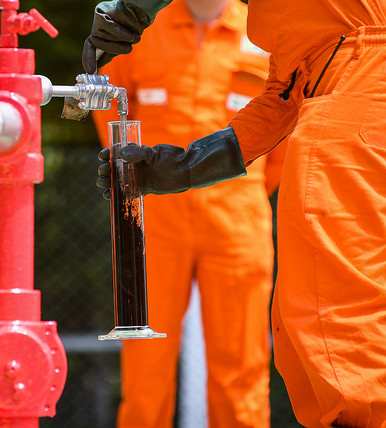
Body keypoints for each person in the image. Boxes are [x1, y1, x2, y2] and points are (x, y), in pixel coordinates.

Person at [87, 0, 386, 426]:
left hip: (363, 74)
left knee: (326, 309)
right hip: (353, 73)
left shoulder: (320, 30)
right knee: (302, 322)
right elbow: (286, 94)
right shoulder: (310, 32)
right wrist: (191, 165)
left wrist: (132, 7)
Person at [91, 0, 283, 426]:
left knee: (243, 367)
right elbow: (110, 111)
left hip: (238, 221)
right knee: (144, 365)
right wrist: (131, 185)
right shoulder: (142, 29)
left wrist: (246, 190)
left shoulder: (267, 33)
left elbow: (287, 129)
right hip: (151, 219)